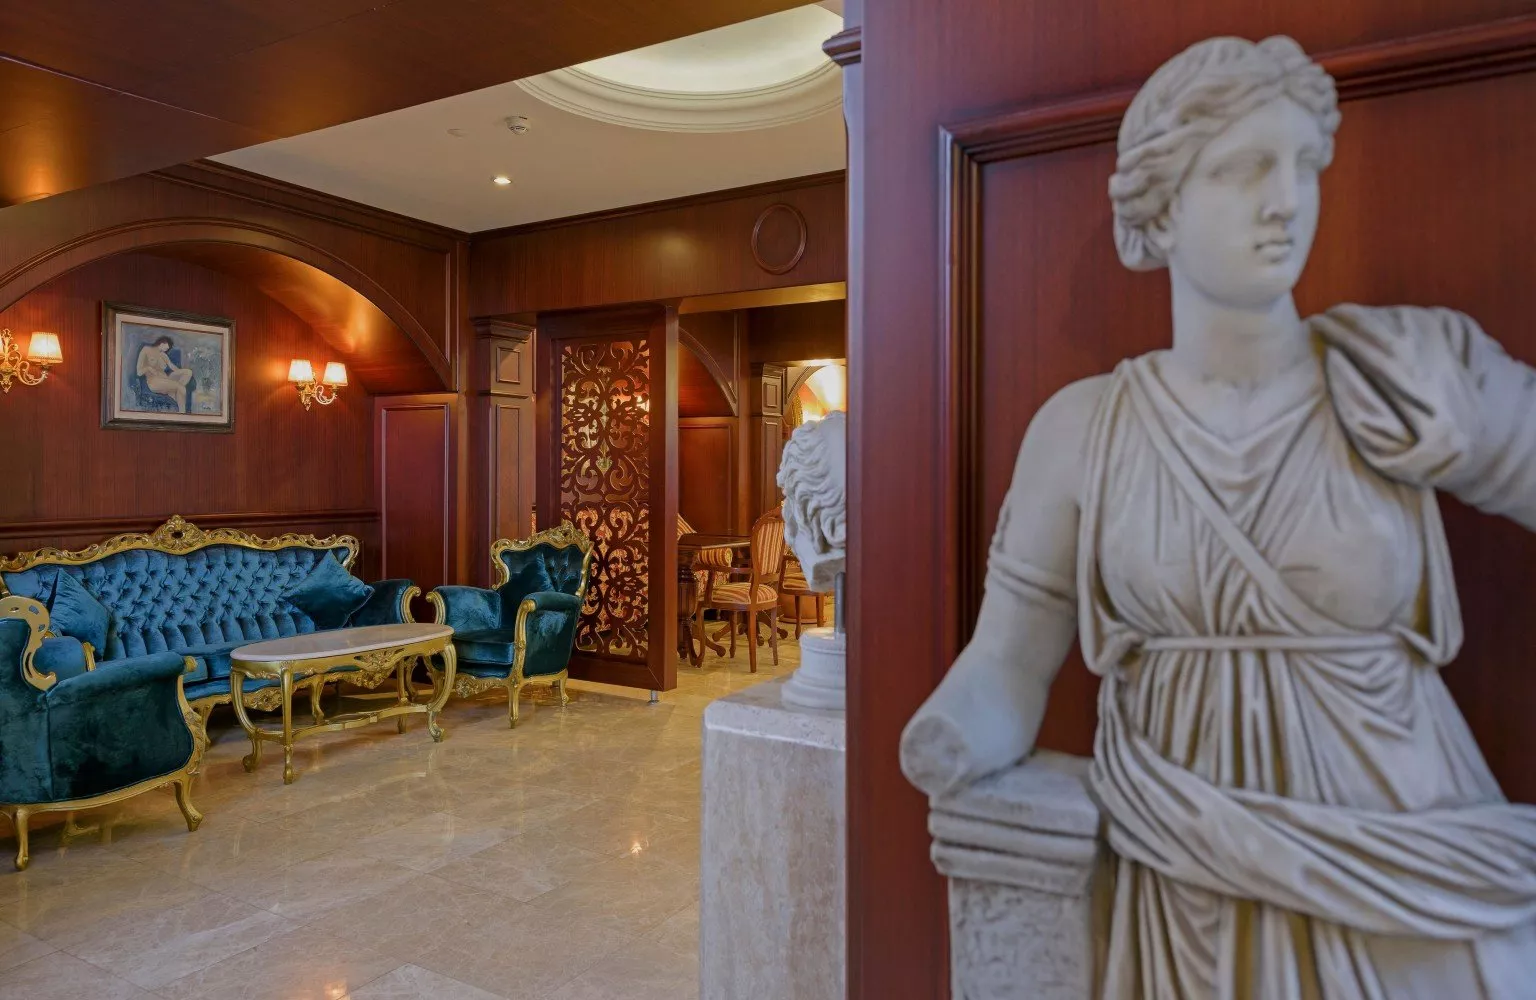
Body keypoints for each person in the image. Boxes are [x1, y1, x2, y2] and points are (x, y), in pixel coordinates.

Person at [902, 35, 1536, 998]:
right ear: (1160, 207)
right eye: (1244, 169)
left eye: (1303, 166)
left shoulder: (1405, 378)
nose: (1287, 200)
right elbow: (1010, 663)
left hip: (1414, 871)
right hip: (1187, 871)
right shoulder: (1083, 431)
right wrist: (948, 734)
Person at [136, 334, 194, 412]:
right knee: (181, 388)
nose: (167, 349)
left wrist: (180, 372)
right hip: (154, 381)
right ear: (162, 343)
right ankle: (182, 414)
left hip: (166, 379)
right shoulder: (146, 350)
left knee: (188, 372)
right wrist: (149, 368)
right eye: (167, 347)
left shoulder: (163, 355)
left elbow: (172, 367)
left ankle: (172, 391)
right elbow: (139, 372)